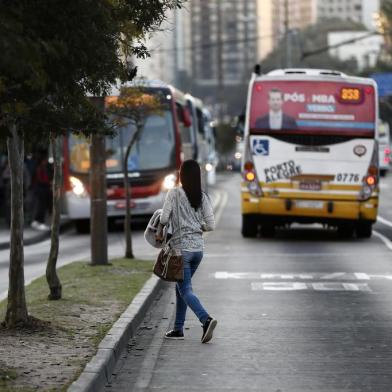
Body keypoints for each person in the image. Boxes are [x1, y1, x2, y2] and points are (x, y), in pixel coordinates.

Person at [157, 159, 217, 343]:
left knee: (185, 289)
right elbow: (211, 225)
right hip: (198, 250)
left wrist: (162, 221)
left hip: (181, 250)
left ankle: (206, 320)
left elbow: (165, 219)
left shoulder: (174, 193)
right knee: (181, 288)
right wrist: (196, 226)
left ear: (181, 175)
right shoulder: (202, 196)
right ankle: (178, 329)